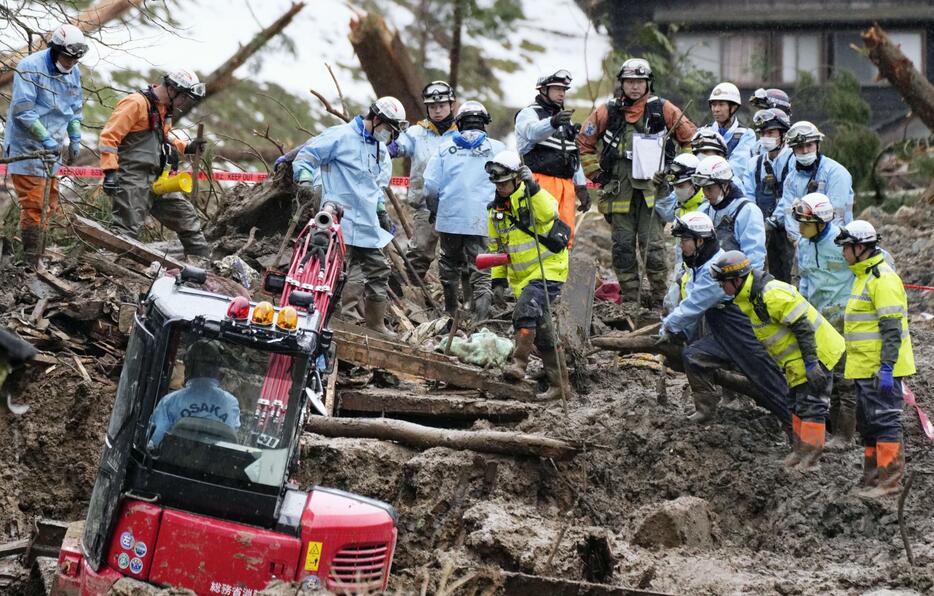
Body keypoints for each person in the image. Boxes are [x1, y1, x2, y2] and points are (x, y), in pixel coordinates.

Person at [711, 250, 845, 471]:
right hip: (795, 362)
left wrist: (812, 363)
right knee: (796, 405)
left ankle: (811, 460)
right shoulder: (751, 299)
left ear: (736, 280)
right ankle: (799, 452)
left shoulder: (771, 294)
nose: (721, 289)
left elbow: (803, 327)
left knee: (812, 407)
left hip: (816, 354)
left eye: (723, 283)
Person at [577, 58, 696, 304]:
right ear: (622, 83)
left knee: (653, 247)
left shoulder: (663, 109)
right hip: (619, 191)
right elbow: (584, 143)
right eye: (629, 81)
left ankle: (661, 298)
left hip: (654, 191)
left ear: (648, 83)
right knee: (622, 247)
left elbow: (691, 139)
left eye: (639, 82)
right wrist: (596, 174)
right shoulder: (607, 111)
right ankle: (630, 299)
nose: (634, 87)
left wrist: (678, 170)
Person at [292, 97, 406, 336]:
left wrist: (381, 211)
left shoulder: (379, 148)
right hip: (336, 218)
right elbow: (307, 156)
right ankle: (324, 317)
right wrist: (304, 180)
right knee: (329, 270)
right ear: (376, 119)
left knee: (379, 270)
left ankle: (376, 324)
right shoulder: (340, 136)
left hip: (366, 222)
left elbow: (376, 187)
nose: (388, 135)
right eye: (388, 129)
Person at [835, 220, 915, 498]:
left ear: (860, 248)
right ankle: (871, 478)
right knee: (869, 424)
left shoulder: (883, 279)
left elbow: (892, 328)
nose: (843, 253)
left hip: (881, 369)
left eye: (846, 247)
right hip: (865, 368)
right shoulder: (863, 276)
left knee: (885, 422)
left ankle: (889, 482)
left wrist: (887, 367)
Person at [98, 69, 210, 258]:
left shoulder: (164, 109)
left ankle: (203, 267)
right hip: (132, 178)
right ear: (173, 90)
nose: (184, 103)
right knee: (126, 234)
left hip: (157, 178)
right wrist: (110, 172)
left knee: (186, 218)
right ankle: (108, 271)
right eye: (184, 97)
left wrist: (186, 147)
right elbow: (109, 138)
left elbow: (163, 138)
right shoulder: (136, 103)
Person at [486, 151, 568, 400]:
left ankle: (518, 364)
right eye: (497, 184)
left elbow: (549, 213)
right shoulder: (495, 211)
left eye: (504, 183)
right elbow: (497, 249)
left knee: (523, 312)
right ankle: (561, 387)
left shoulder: (532, 196)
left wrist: (533, 187)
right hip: (523, 279)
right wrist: (498, 281)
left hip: (549, 269)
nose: (500, 188)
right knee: (543, 332)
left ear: (516, 179)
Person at [3, 24, 87, 265]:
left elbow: (74, 108)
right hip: (27, 148)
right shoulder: (30, 67)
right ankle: (30, 260)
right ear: (55, 49)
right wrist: (46, 139)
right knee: (34, 205)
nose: (70, 63)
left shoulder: (73, 72)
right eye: (67, 57)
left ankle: (38, 254)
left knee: (49, 204)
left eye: (75, 59)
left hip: (53, 149)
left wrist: (75, 137)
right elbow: (23, 110)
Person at [423, 101, 505, 321]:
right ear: (484, 123)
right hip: (482, 219)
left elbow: (430, 187)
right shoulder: (498, 149)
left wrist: (435, 209)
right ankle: (480, 320)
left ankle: (450, 313)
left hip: (449, 217)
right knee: (482, 269)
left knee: (449, 264)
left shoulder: (444, 148)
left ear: (458, 123)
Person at [792, 193, 857, 449]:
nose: (800, 228)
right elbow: (805, 278)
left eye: (805, 223)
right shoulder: (804, 244)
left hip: (845, 320)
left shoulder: (843, 242)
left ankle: (845, 436)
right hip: (819, 321)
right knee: (825, 377)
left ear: (822, 221)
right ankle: (832, 429)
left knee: (846, 380)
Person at [515, 69, 590, 247]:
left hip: (565, 186)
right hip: (539, 181)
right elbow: (532, 133)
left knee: (564, 235)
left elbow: (574, 154)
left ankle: (559, 272)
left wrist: (581, 186)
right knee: (539, 232)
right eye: (557, 89)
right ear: (543, 90)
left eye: (564, 90)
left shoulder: (564, 120)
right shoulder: (528, 113)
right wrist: (553, 122)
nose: (562, 93)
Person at [393, 81, 458, 280]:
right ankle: (409, 292)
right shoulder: (415, 133)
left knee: (459, 258)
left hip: (458, 208)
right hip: (425, 207)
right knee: (419, 252)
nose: (437, 110)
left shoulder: (463, 134)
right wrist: (384, 147)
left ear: (451, 105)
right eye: (432, 107)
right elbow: (398, 146)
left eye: (442, 106)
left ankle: (459, 305)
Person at [148, 340, 240, 448]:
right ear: (216, 369)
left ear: (188, 367)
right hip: (216, 463)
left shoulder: (170, 401)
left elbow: (155, 442)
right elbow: (230, 445)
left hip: (171, 461)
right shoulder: (231, 403)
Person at [776, 121, 853, 242]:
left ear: (818, 145)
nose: (805, 151)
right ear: (793, 150)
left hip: (836, 243)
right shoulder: (790, 180)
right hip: (804, 245)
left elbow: (836, 216)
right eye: (800, 147)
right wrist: (800, 244)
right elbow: (790, 216)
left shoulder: (836, 173)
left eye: (809, 145)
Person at [742, 108, 794, 281]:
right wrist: (754, 221)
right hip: (760, 228)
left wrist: (774, 220)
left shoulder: (794, 160)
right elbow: (748, 195)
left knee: (788, 273)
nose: (766, 137)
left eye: (771, 132)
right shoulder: (753, 164)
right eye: (763, 133)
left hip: (788, 229)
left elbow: (791, 194)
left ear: (783, 134)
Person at [693, 156, 766, 270]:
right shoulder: (704, 210)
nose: (706, 194)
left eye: (710, 188)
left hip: (735, 281)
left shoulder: (748, 212)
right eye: (703, 188)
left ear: (725, 185)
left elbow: (754, 257)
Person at [702, 82, 756, 182]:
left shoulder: (746, 135)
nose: (716, 109)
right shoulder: (703, 132)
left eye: (721, 105)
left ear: (733, 107)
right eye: (713, 105)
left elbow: (738, 168)